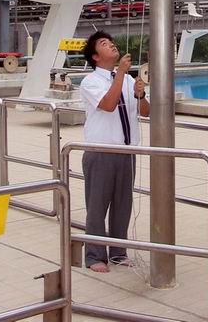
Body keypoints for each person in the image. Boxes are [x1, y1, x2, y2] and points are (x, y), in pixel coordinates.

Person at [79, 31, 149, 272]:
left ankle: (118, 252)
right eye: (104, 43)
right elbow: (109, 105)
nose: (111, 45)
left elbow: (145, 111)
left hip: (126, 152)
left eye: (111, 42)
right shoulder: (91, 81)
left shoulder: (127, 79)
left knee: (122, 205)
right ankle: (94, 256)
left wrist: (141, 94)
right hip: (101, 151)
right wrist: (120, 74)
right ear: (96, 56)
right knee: (97, 206)